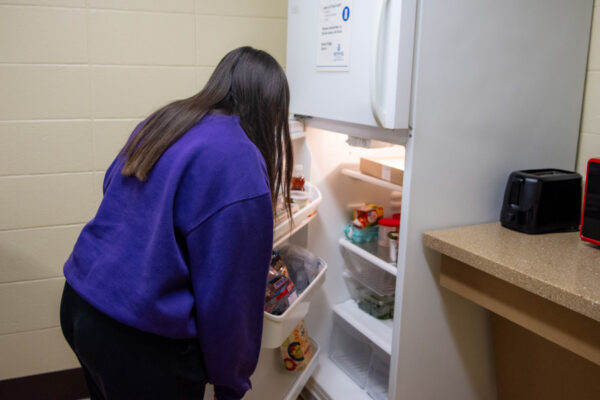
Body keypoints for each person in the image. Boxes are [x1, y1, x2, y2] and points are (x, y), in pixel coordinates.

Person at [60, 46, 293, 400]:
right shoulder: (241, 160)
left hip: (80, 303)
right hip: (139, 338)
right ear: (271, 109)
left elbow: (112, 187)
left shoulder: (168, 119)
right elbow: (231, 299)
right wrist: (231, 384)